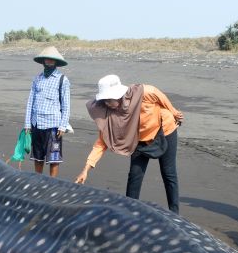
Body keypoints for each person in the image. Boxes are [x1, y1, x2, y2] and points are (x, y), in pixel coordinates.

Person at [75, 75, 184, 213]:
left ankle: (175, 213)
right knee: (135, 174)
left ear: (118, 95)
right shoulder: (110, 113)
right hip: (139, 138)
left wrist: (174, 111)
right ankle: (129, 210)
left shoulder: (142, 94)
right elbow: (101, 143)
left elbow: (157, 93)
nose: (106, 104)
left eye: (108, 100)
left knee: (168, 173)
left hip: (165, 130)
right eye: (104, 100)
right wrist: (86, 170)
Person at [24, 46, 71, 177]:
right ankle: (39, 182)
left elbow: (66, 105)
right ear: (43, 60)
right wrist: (27, 124)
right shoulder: (37, 79)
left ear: (56, 62)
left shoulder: (62, 80)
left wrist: (63, 125)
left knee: (54, 159)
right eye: (47, 59)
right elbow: (30, 102)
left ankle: (52, 183)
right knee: (37, 157)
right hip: (36, 123)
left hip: (53, 126)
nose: (49, 62)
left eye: (52, 60)